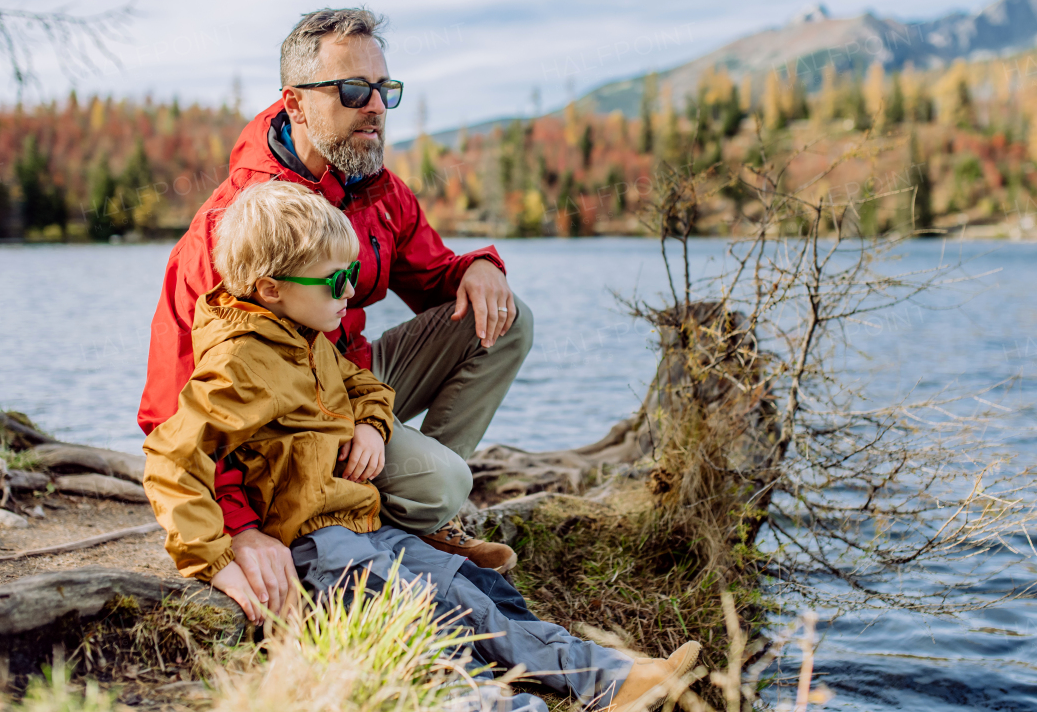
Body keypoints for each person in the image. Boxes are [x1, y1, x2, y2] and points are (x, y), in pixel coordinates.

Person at [142, 182, 700, 712]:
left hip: (359, 524)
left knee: (471, 589)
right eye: (335, 282)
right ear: (270, 288)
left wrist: (371, 425)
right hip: (317, 550)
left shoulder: (306, 336)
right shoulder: (240, 363)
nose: (351, 292)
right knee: (423, 621)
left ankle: (611, 680)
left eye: (354, 275)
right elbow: (171, 457)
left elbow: (364, 385)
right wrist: (217, 561)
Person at [138, 7, 532, 619]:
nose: (374, 106)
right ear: (295, 105)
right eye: (353, 91)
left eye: (384, 89)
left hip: (347, 382)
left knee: (508, 320)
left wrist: (475, 268)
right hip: (284, 432)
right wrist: (238, 529)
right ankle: (388, 505)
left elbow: (433, 279)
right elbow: (172, 408)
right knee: (442, 479)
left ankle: (416, 520)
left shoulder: (372, 185)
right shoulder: (240, 227)